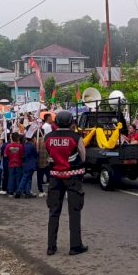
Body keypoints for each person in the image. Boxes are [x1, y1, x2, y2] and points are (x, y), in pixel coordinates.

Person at [44, 110, 87, 256]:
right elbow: (83, 155)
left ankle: (51, 246)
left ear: (56, 122)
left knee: (53, 212)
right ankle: (75, 246)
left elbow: (48, 155)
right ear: (71, 122)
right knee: (74, 212)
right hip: (73, 178)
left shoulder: (48, 137)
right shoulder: (76, 137)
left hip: (55, 178)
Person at [4, 132, 23, 197]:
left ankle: (10, 192)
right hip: (18, 163)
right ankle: (17, 191)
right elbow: (22, 155)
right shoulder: (20, 146)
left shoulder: (8, 146)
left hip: (11, 163)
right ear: (18, 138)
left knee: (11, 178)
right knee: (18, 178)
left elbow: (5, 155)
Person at [35, 131, 49, 198]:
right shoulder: (46, 141)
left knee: (39, 178)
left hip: (38, 162)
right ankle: (51, 190)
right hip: (46, 162)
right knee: (49, 177)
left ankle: (41, 191)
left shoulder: (36, 142)